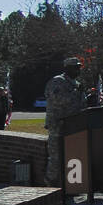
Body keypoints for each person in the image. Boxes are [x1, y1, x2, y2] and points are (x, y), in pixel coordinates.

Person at [43, 57, 85, 186]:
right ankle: (50, 186)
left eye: (79, 67)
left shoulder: (76, 84)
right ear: (67, 68)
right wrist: (77, 94)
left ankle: (72, 186)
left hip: (74, 127)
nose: (78, 69)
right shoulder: (58, 81)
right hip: (58, 126)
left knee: (73, 158)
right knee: (56, 158)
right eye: (75, 67)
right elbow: (58, 99)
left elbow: (81, 104)